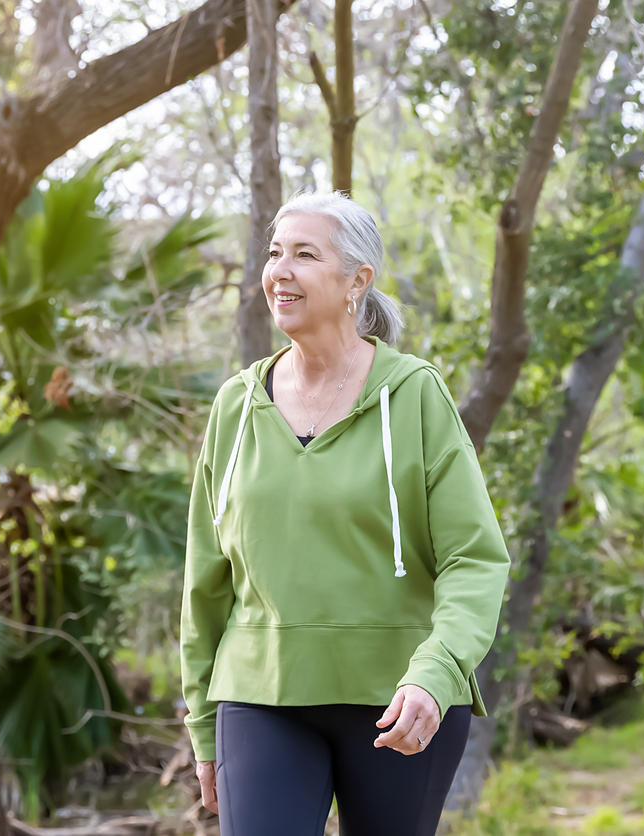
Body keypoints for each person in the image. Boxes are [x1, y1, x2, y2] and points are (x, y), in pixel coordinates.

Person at [179, 191, 510, 836]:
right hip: (260, 693)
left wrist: (436, 673)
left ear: (358, 279)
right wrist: (200, 719)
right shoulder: (236, 407)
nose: (281, 270)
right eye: (275, 254)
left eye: (305, 254)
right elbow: (205, 574)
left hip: (400, 701)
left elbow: (474, 557)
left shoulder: (414, 394)